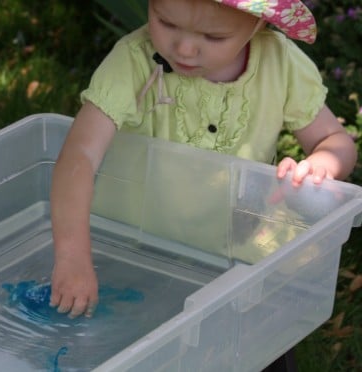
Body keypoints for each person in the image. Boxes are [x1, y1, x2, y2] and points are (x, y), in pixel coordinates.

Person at [49, 0, 358, 319]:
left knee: (253, 337)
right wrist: (72, 256)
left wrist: (322, 165)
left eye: (213, 37)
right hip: (130, 244)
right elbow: (79, 155)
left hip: (233, 246)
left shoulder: (279, 63)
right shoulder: (133, 62)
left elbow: (334, 142)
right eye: (166, 22)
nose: (183, 48)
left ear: (258, 24)